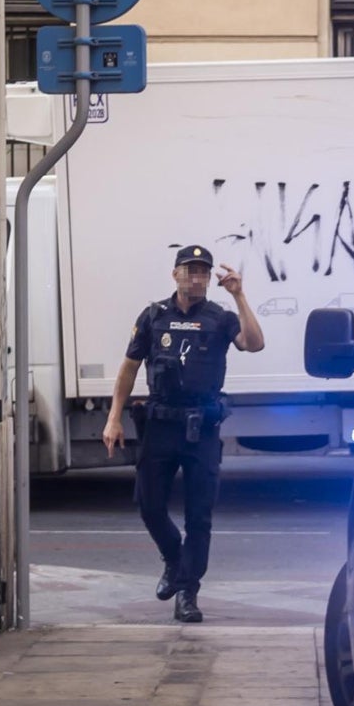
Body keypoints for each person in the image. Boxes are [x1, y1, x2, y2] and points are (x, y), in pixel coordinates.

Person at [102, 245, 265, 622]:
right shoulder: (153, 316)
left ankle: (188, 592)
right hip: (160, 425)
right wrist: (113, 418)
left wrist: (239, 295)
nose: (197, 278)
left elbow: (254, 343)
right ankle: (175, 560)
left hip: (202, 428)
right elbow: (128, 369)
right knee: (149, 505)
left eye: (203, 273)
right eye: (190, 270)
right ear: (174, 274)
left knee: (199, 516)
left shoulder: (221, 318)